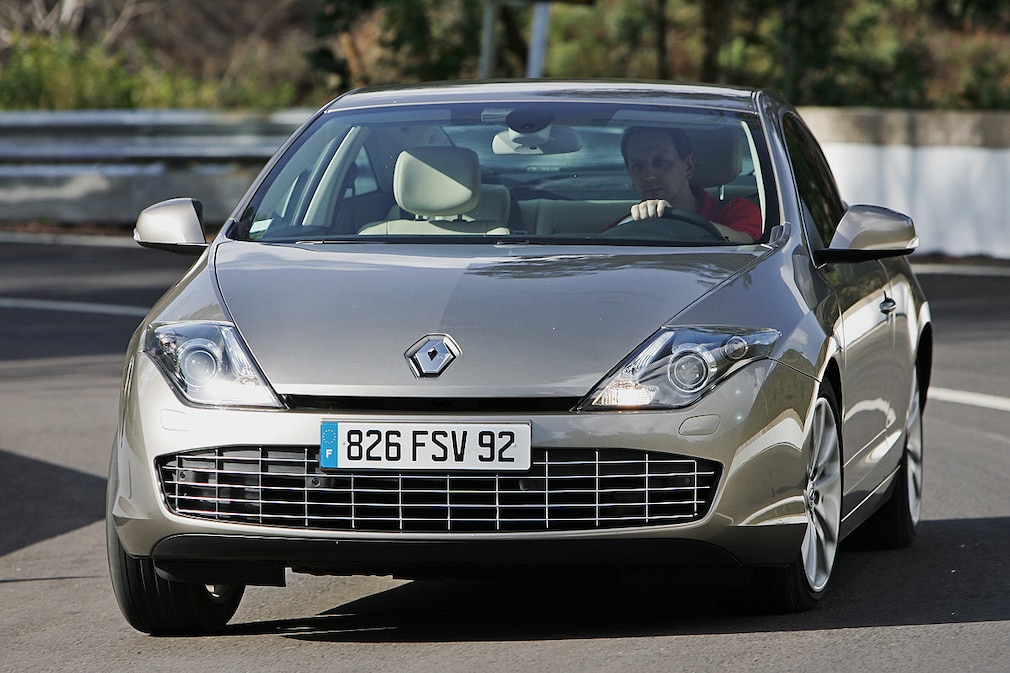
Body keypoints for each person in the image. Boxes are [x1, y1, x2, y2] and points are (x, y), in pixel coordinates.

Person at [615, 126, 761, 242]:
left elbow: (747, 246)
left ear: (688, 166)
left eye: (661, 162)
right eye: (637, 166)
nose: (649, 176)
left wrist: (673, 221)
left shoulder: (737, 211)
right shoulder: (622, 228)